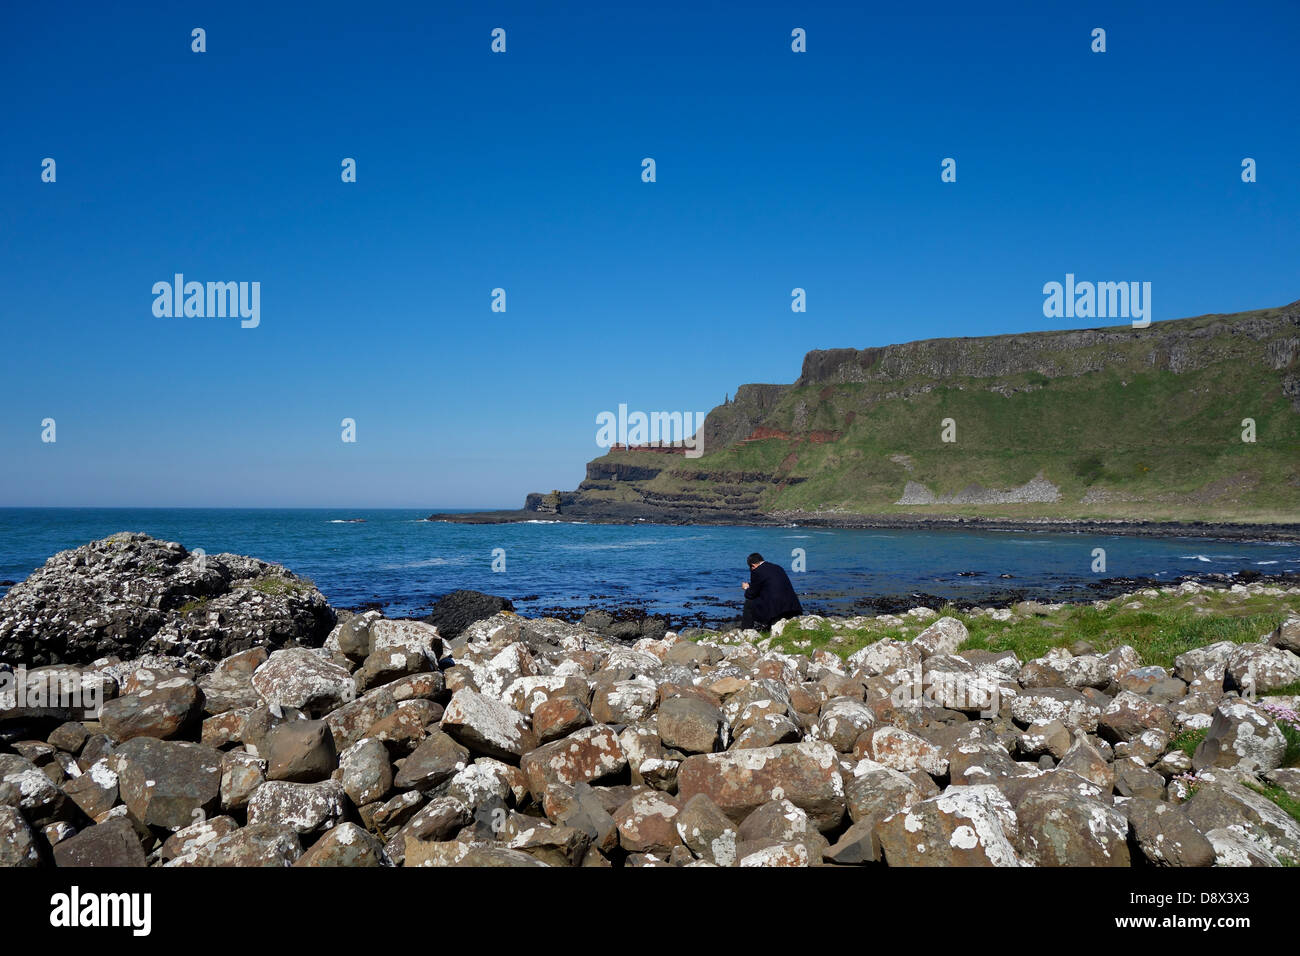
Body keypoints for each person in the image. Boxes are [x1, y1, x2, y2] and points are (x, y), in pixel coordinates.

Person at [740, 552, 803, 630]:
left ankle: (746, 631)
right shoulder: (777, 567)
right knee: (767, 597)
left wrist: (746, 588)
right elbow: (769, 585)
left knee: (749, 603)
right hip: (791, 606)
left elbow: (751, 594)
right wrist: (751, 586)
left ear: (753, 565)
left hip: (776, 607)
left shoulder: (757, 571)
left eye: (750, 568)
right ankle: (768, 627)